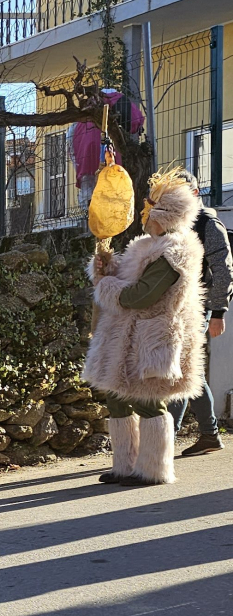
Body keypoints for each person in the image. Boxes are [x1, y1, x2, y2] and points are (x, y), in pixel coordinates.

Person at [84, 169, 206, 486]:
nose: (142, 212)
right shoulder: (146, 245)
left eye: (148, 206)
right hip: (128, 335)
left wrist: (107, 287)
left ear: (162, 214)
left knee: (148, 400)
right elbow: (128, 280)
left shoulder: (172, 252)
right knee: (117, 398)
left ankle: (153, 468)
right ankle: (125, 465)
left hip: (152, 336)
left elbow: (142, 296)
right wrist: (106, 267)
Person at [166, 169, 233, 456]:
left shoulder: (207, 222)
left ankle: (167, 437)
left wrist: (218, 311)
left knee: (180, 368)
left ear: (194, 194)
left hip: (198, 307)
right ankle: (209, 435)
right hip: (174, 307)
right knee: (190, 370)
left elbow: (224, 269)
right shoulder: (171, 222)